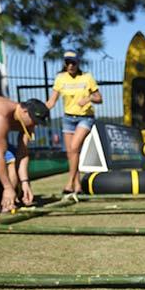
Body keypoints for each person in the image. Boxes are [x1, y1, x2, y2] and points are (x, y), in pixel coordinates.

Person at [46, 50, 102, 195]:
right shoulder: (60, 78)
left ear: (78, 63)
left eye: (73, 62)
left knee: (74, 147)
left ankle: (69, 182)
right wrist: (38, 111)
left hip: (85, 118)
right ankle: (78, 186)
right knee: (71, 153)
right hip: (68, 118)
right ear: (64, 64)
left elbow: (99, 98)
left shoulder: (87, 77)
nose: (70, 65)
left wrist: (89, 98)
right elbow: (52, 101)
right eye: (67, 62)